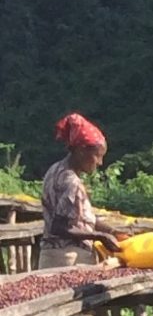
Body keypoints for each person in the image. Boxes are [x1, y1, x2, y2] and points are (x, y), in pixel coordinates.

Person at [38, 113, 122, 268]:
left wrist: (112, 231)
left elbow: (79, 219)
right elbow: (60, 227)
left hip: (50, 256)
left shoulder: (55, 169)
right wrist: (100, 236)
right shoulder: (71, 183)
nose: (100, 162)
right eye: (97, 156)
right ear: (81, 151)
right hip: (67, 258)